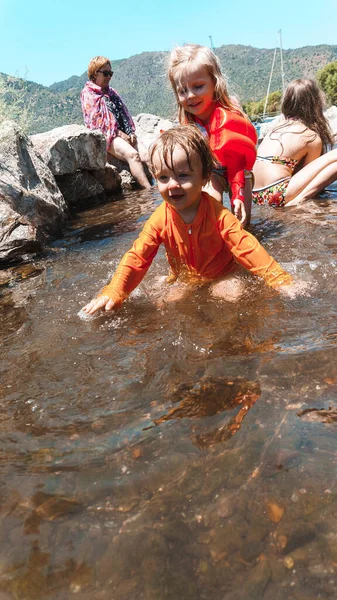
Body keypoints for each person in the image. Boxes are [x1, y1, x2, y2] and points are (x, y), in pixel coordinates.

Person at [81, 126, 293, 316]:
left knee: (231, 296)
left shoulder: (219, 215)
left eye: (183, 175)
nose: (172, 185)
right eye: (163, 178)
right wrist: (115, 290)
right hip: (185, 277)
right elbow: (138, 256)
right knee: (163, 301)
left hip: (222, 275)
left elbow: (246, 247)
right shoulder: (159, 219)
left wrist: (279, 279)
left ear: (204, 177)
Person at [167, 44, 257, 227]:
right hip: (213, 171)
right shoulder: (188, 124)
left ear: (215, 83)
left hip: (239, 171)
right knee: (208, 213)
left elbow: (237, 163)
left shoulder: (227, 119)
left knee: (243, 221)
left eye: (198, 87)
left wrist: (238, 194)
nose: (190, 96)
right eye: (182, 91)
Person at [252, 78, 336, 207]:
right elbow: (310, 177)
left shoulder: (276, 128)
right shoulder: (310, 137)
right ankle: (298, 201)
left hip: (254, 194)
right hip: (275, 193)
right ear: (315, 103)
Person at [81, 56, 151, 189]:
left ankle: (162, 188)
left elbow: (124, 114)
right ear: (95, 73)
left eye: (110, 73)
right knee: (133, 155)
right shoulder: (88, 94)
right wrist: (118, 134)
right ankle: (149, 192)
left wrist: (130, 132)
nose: (109, 76)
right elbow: (97, 124)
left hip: (124, 133)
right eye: (106, 73)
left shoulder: (112, 92)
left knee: (147, 155)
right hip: (108, 136)